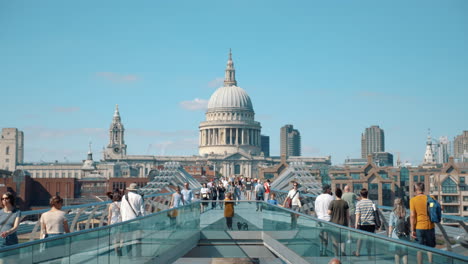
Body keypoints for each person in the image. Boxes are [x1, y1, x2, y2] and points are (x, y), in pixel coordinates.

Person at [410, 182, 435, 264]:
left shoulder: (413, 200)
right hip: (430, 226)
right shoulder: (431, 198)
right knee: (430, 248)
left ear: (415, 190)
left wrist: (412, 229)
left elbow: (413, 215)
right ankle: (430, 262)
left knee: (419, 249)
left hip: (419, 227)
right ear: (423, 189)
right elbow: (439, 208)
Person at [120, 183, 144, 257]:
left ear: (129, 189)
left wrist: (123, 219)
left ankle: (129, 255)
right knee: (138, 239)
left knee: (128, 239)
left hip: (126, 221)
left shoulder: (124, 197)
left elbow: (121, 209)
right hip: (136, 221)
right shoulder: (139, 197)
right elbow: (142, 211)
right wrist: (143, 221)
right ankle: (138, 254)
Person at [354, 188, 376, 258]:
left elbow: (358, 214)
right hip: (371, 223)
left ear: (361, 195)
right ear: (367, 194)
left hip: (363, 223)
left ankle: (357, 252)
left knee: (360, 238)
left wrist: (356, 224)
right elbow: (374, 212)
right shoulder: (371, 202)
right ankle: (369, 253)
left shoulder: (359, 203)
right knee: (369, 240)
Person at [327, 188, 349, 257]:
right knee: (343, 240)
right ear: (341, 194)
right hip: (343, 223)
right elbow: (347, 215)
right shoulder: (345, 203)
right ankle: (343, 252)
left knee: (335, 240)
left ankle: (336, 254)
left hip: (334, 224)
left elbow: (329, 212)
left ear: (336, 194)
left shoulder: (332, 202)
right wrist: (348, 224)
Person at [315, 184, 334, 256]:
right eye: (330, 189)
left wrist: (318, 215)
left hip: (320, 218)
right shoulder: (331, 198)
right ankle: (324, 251)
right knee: (326, 236)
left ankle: (320, 249)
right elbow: (333, 209)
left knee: (321, 235)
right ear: (327, 190)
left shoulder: (318, 197)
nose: (331, 190)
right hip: (328, 219)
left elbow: (316, 209)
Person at [389, 198, 409, 264]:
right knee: (405, 253)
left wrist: (389, 236)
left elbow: (391, 226)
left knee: (397, 253)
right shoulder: (405, 212)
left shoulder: (393, 213)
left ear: (395, 204)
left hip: (396, 235)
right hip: (405, 235)